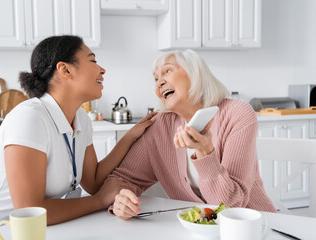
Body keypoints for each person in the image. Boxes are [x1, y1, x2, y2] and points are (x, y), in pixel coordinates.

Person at [0, 35, 156, 239]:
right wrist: (100, 201)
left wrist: (130, 136)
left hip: (36, 230)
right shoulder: (29, 118)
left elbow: (93, 181)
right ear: (65, 69)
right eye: (93, 61)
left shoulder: (81, 119)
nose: (102, 70)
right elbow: (30, 210)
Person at [108, 49, 276, 220]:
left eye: (167, 71)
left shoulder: (237, 113)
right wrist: (120, 200)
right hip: (195, 230)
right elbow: (122, 179)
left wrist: (205, 153)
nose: (159, 83)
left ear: (195, 74)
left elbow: (230, 206)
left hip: (253, 226)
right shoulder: (159, 126)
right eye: (156, 78)